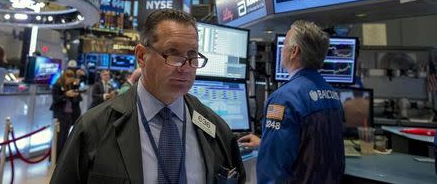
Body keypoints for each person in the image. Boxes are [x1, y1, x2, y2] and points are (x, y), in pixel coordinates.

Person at [50, 9, 245, 184]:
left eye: (192, 55)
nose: (186, 68)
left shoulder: (216, 129)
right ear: (142, 56)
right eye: (173, 54)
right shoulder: (93, 129)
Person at [240, 20, 344, 183]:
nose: (282, 50)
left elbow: (273, 169)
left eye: (285, 45)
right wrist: (264, 144)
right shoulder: (332, 94)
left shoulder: (283, 99)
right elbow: (311, 149)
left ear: (294, 51)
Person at [49, 69, 82, 160]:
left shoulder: (70, 86)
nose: (70, 81)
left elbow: (78, 98)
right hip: (59, 114)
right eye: (69, 79)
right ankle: (54, 157)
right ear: (65, 77)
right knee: (58, 137)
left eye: (71, 80)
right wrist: (66, 95)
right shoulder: (56, 85)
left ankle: (61, 157)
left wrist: (74, 91)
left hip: (69, 114)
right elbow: (56, 100)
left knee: (65, 136)